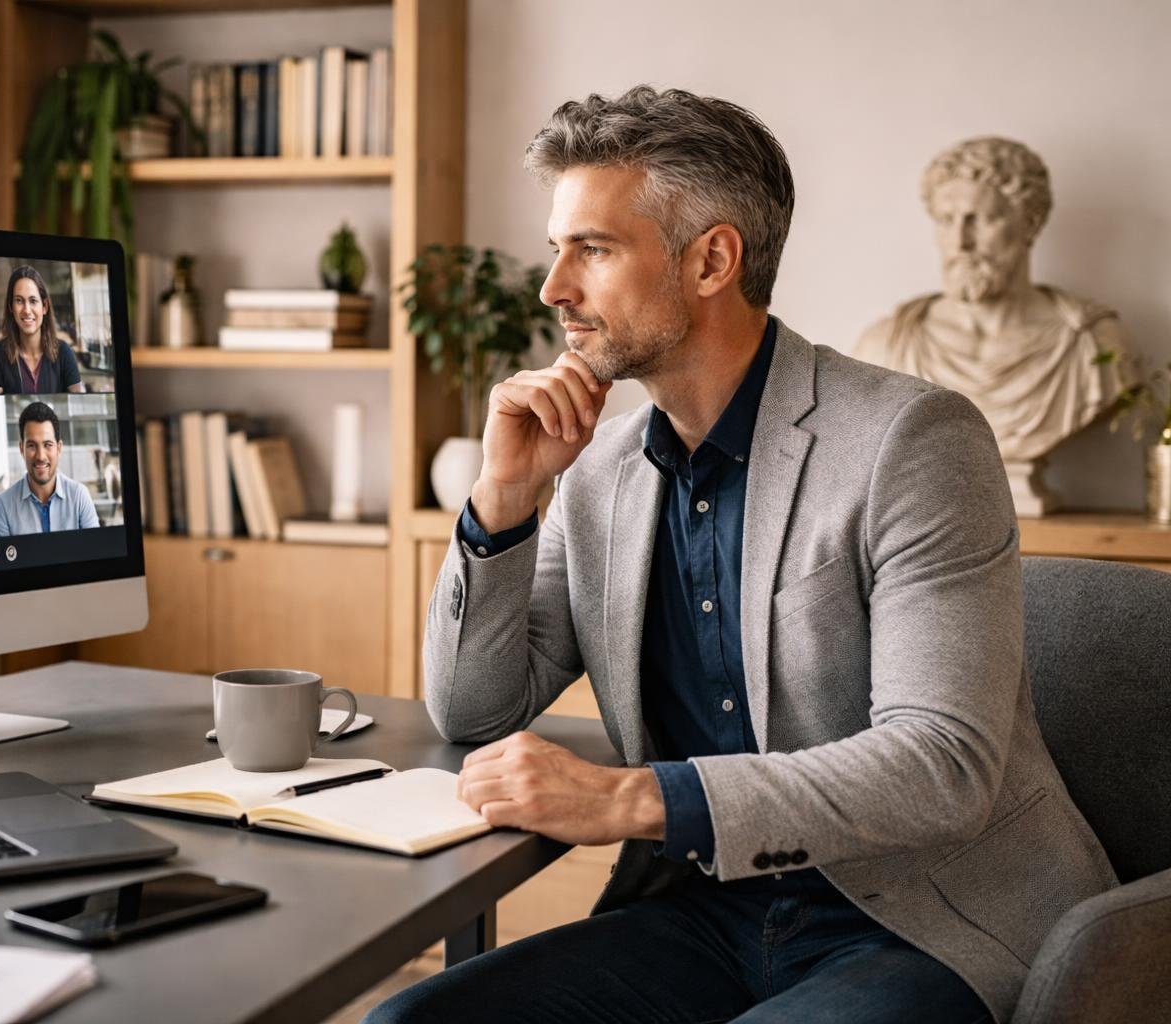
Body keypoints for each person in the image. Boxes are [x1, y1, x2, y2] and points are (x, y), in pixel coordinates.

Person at [368, 87, 1115, 1024]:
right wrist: (506, 500)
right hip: (706, 914)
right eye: (557, 250)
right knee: (409, 1020)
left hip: (923, 917)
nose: (553, 288)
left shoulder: (913, 441)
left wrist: (638, 799)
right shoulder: (597, 471)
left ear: (712, 259)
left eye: (592, 250)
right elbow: (473, 706)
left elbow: (941, 763)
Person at [853, 136, 1138, 514]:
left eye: (982, 219)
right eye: (946, 220)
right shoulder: (887, 345)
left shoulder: (1094, 345)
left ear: (1030, 223)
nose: (960, 241)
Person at [0, 401, 100, 537]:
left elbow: (97, 553)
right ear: (22, 449)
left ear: (59, 448)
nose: (40, 456)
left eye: (48, 444)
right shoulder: (4, 505)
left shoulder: (79, 497)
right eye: (32, 445)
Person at [0, 266, 85, 394]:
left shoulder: (64, 353)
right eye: (19, 301)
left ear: (44, 306)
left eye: (33, 301)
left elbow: (78, 404)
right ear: (11, 307)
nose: (27, 310)